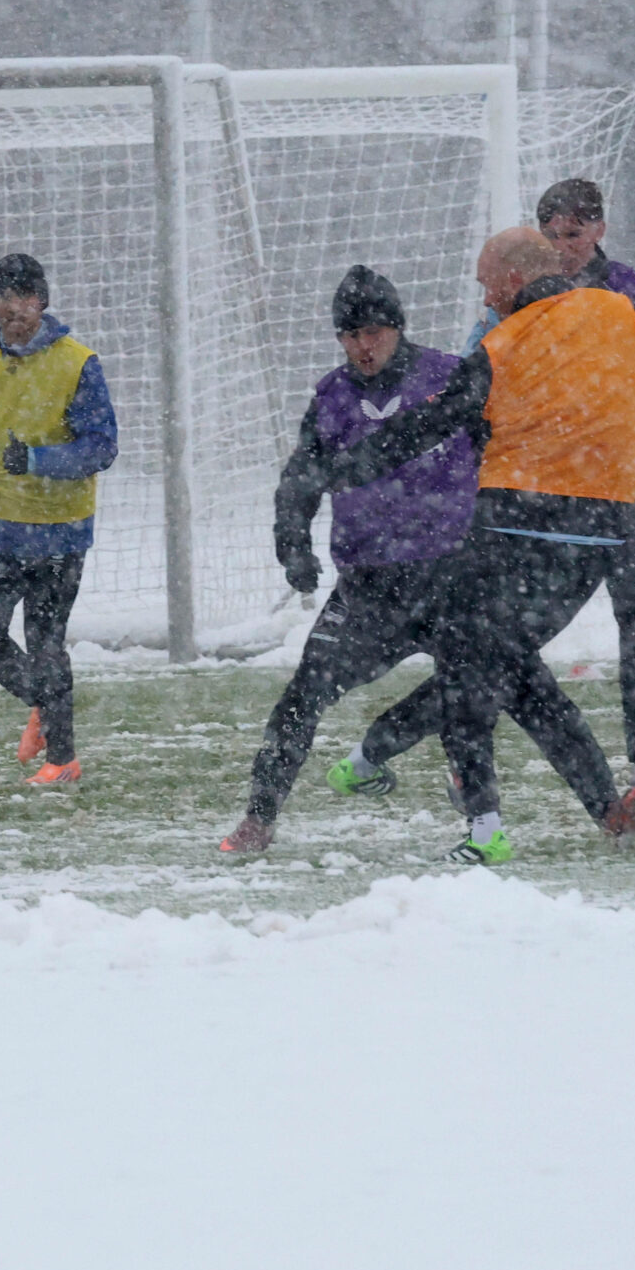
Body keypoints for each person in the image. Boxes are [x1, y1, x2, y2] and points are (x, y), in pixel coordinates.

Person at [314, 228, 635, 864]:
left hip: (511, 529)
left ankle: (482, 829)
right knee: (517, 671)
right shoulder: (623, 314)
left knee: (470, 666)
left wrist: (342, 466)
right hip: (600, 532)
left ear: (511, 281)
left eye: (486, 284)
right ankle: (607, 808)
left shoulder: (502, 344)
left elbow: (430, 422)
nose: (485, 296)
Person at [337, 176, 635, 813]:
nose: (564, 246)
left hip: (611, 494)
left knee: (634, 623)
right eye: (552, 235)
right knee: (504, 651)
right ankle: (438, 764)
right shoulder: (507, 316)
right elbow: (477, 399)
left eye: (574, 234)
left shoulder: (634, 296)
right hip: (529, 505)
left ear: (598, 231)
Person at [221, 267, 477, 854]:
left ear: (397, 328)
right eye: (350, 334)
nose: (364, 346)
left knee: (474, 688)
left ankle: (474, 803)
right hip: (370, 586)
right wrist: (293, 545)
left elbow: (500, 453)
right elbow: (299, 481)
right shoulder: (332, 398)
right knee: (301, 696)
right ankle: (259, 818)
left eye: (375, 332)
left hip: (450, 576)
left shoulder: (449, 380)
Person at [0, 253, 117, 784]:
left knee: (45, 641)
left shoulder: (77, 362)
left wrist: (37, 460)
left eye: (23, 297)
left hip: (60, 530)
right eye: (3, 297)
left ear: (42, 301)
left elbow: (102, 448)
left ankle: (62, 759)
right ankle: (46, 708)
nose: (13, 308)